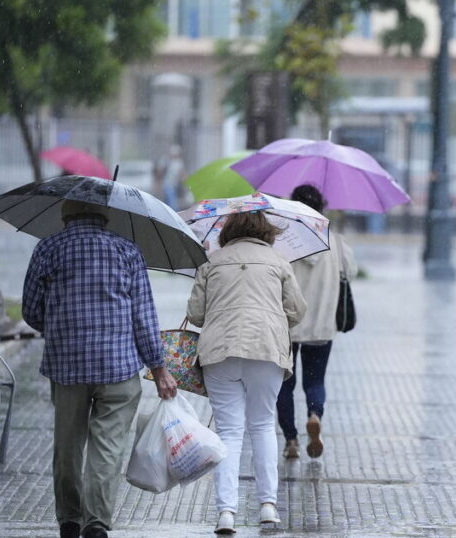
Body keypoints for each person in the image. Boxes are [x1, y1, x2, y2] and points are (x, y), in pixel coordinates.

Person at [22, 200, 177, 538]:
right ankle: (96, 523)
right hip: (118, 369)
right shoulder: (127, 251)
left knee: (67, 447)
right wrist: (159, 367)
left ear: (65, 214)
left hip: (67, 369)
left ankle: (69, 519)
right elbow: (144, 318)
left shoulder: (48, 249)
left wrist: (62, 324)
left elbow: (31, 311)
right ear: (106, 215)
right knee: (106, 450)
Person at [186, 211, 306, 534]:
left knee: (228, 433)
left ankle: (226, 512)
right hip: (266, 350)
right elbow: (296, 311)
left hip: (219, 352)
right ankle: (268, 506)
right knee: (263, 425)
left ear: (228, 231)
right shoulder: (279, 262)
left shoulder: (211, 262)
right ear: (265, 231)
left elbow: (195, 314)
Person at [276, 185, 357, 460]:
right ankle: (314, 414)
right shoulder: (335, 241)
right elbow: (351, 272)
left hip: (286, 324)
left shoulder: (283, 241)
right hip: (322, 325)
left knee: (284, 384)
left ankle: (291, 440)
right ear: (321, 207)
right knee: (315, 380)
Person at [153, 144, 185, 210]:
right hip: (167, 184)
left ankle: (166, 212)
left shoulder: (179, 162)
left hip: (174, 185)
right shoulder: (166, 160)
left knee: (167, 202)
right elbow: (160, 172)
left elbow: (181, 173)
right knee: (172, 203)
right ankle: (175, 213)